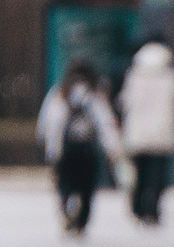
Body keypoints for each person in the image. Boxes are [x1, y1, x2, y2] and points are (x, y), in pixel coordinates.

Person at [37, 61, 124, 236]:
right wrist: (113, 149)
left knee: (65, 186)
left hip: (66, 152)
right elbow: (105, 124)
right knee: (86, 189)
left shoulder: (59, 94)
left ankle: (67, 211)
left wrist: (51, 150)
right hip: (87, 153)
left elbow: (49, 123)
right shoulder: (94, 96)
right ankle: (81, 223)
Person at [116, 41, 174, 227]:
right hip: (163, 134)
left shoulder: (133, 77)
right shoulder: (172, 78)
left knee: (140, 174)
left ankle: (138, 208)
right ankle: (153, 210)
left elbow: (123, 103)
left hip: (137, 135)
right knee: (157, 176)